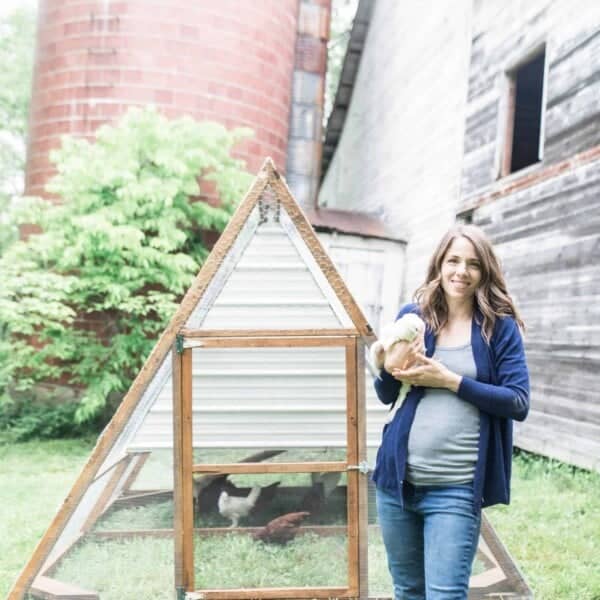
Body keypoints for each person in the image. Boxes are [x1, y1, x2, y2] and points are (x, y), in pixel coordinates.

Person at [371, 224, 529, 600]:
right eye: (453, 260)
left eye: (473, 264)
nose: (462, 271)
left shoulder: (499, 328)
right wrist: (382, 360)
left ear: (484, 271)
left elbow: (518, 401)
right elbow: (386, 393)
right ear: (440, 264)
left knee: (444, 594)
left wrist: (450, 380)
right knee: (407, 591)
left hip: (455, 489)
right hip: (397, 484)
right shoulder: (415, 317)